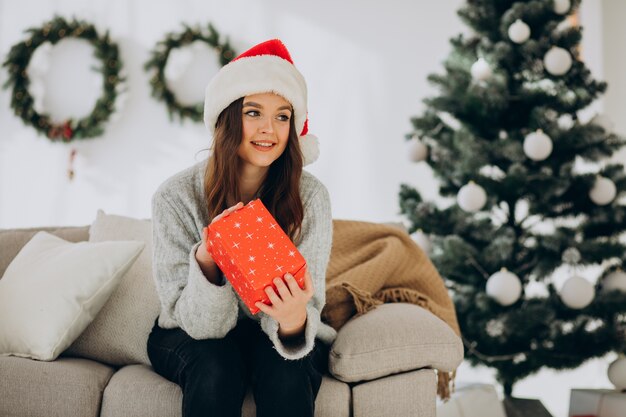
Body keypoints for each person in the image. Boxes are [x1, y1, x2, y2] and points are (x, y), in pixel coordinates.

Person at [147, 39, 337, 417]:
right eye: (254, 112)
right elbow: (200, 327)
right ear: (228, 116)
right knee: (218, 366)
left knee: (285, 369)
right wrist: (208, 261)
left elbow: (306, 313)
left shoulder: (311, 197)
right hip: (188, 332)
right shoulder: (175, 197)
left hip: (275, 333)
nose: (270, 129)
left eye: (283, 116)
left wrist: (292, 320)